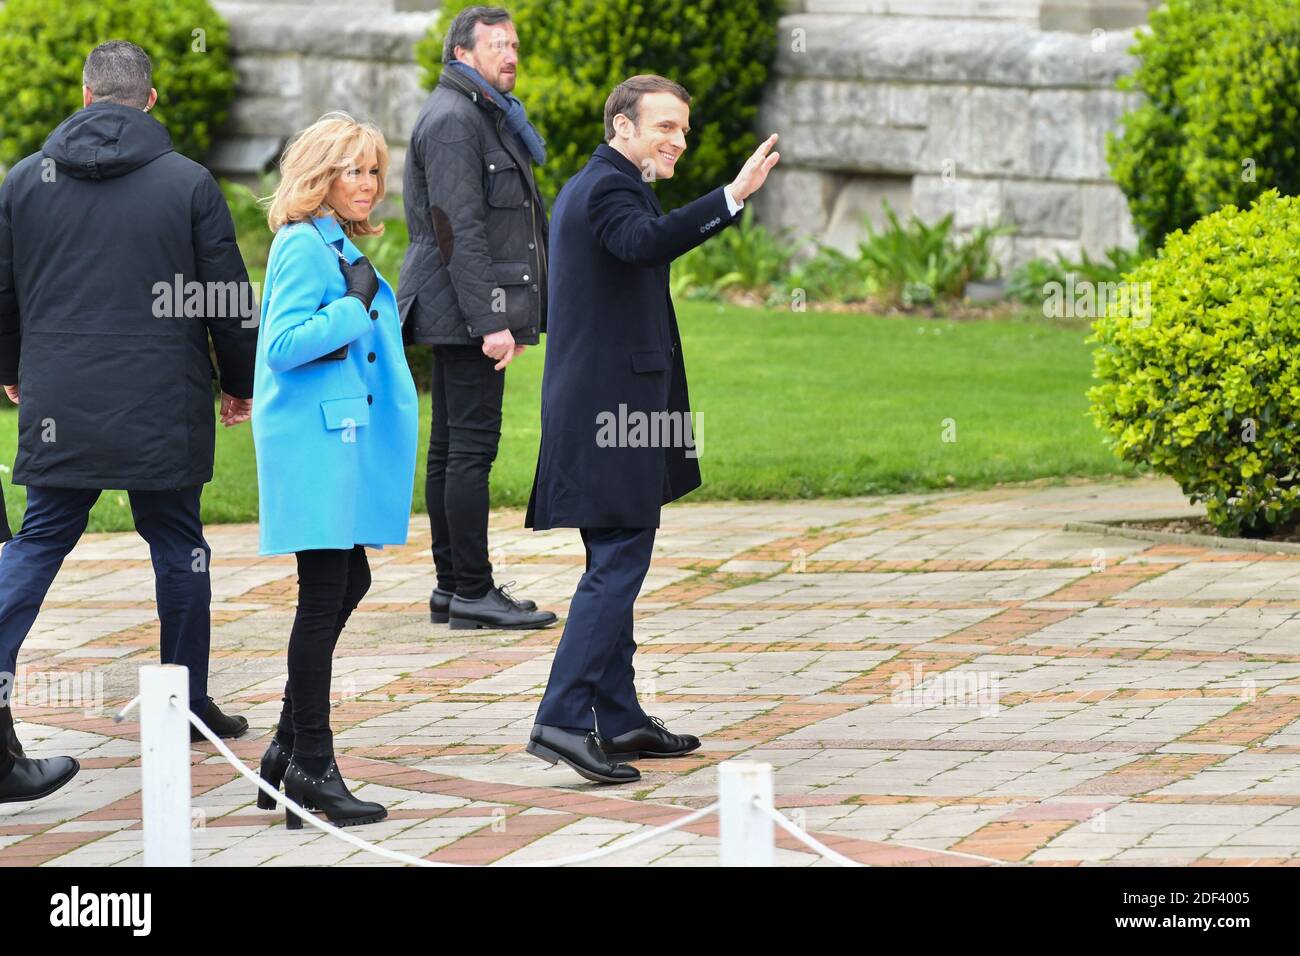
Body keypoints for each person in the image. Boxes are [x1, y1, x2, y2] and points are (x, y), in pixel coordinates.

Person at [0, 40, 257, 805]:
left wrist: (11, 367)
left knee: (41, 538)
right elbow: (225, 297)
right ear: (151, 100)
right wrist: (238, 383)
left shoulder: (23, 182)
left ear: (85, 96)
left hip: (60, 401)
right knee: (179, 546)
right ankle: (185, 703)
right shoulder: (188, 182)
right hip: (163, 401)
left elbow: (3, 293)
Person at [524, 75, 780, 783]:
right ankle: (563, 721)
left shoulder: (602, 182)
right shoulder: (610, 190)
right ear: (623, 127)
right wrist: (731, 198)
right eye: (665, 126)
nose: (678, 141)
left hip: (606, 410)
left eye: (683, 130)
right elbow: (647, 244)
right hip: (611, 416)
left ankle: (619, 714)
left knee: (615, 557)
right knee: (617, 565)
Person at [252, 113, 419, 829]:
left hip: (339, 437)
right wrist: (354, 304)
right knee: (324, 593)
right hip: (316, 443)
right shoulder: (302, 246)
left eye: (374, 170)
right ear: (320, 177)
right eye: (353, 170)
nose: (368, 184)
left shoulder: (335, 244)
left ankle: (287, 752)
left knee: (349, 579)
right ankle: (310, 767)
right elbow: (283, 344)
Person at [398, 5, 555, 631]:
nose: (511, 54)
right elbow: (456, 229)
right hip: (465, 312)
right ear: (463, 53)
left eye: (515, 44)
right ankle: (470, 590)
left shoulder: (479, 114)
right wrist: (492, 320)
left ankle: (452, 586)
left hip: (456, 308)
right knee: (469, 451)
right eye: (498, 45)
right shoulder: (456, 121)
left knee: (451, 450)